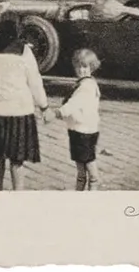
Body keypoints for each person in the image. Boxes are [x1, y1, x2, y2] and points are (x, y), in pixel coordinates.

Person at [0, 11, 51, 191]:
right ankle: (18, 194)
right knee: (17, 160)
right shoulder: (24, 51)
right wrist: (44, 106)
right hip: (19, 112)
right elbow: (34, 81)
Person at [55, 48, 102, 191]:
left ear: (91, 67)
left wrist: (60, 112)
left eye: (85, 67)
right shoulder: (86, 82)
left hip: (83, 131)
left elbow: (74, 103)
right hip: (81, 129)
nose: (81, 70)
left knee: (87, 164)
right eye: (79, 67)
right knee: (81, 167)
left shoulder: (86, 86)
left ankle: (91, 190)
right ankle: (81, 192)